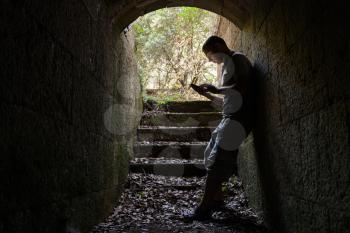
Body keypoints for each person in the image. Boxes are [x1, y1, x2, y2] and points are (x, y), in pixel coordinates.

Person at [183, 36, 254, 221]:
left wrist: (217, 89)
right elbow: (227, 100)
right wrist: (207, 94)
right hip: (229, 117)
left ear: (218, 46)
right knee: (209, 154)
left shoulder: (238, 58)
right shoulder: (227, 67)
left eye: (211, 56)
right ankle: (217, 199)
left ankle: (204, 209)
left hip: (239, 118)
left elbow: (242, 88)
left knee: (218, 160)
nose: (210, 60)